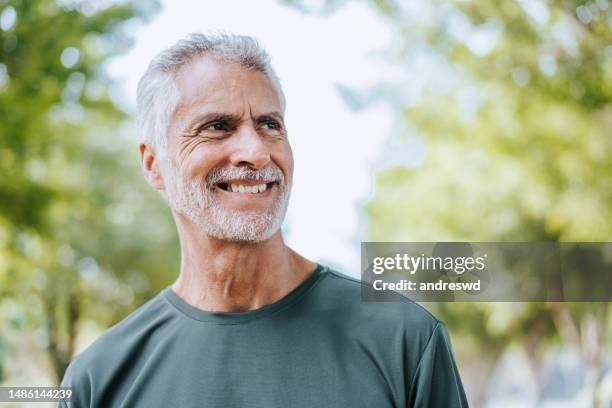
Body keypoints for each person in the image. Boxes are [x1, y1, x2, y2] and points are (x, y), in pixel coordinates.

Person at [58, 32, 468, 408]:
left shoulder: (405, 341)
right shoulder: (99, 379)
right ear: (153, 165)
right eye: (218, 127)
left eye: (270, 125)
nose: (256, 152)